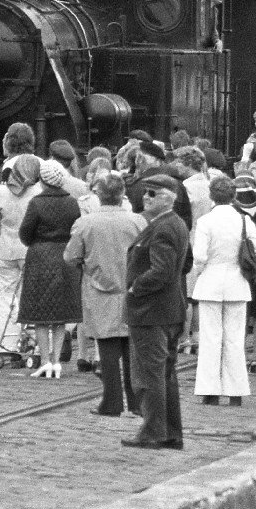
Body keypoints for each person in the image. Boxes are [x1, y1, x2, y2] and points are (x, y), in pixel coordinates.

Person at [65, 172, 147, 416]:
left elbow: (70, 256)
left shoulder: (85, 223)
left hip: (99, 288)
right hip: (132, 289)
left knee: (107, 347)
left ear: (98, 195)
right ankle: (136, 402)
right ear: (122, 194)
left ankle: (111, 401)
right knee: (132, 347)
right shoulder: (138, 222)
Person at [122, 173, 190, 449]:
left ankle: (153, 431)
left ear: (168, 199)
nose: (146, 198)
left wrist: (135, 287)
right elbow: (185, 264)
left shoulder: (163, 227)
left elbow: (162, 270)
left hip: (152, 312)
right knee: (165, 374)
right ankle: (170, 432)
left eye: (152, 194)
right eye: (145, 193)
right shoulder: (175, 224)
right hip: (167, 309)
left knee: (149, 374)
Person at [190, 176, 256, 406]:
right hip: (237, 281)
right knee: (235, 338)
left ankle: (210, 391)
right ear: (233, 196)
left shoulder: (205, 221)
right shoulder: (244, 220)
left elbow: (199, 256)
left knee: (210, 338)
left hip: (210, 281)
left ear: (212, 195)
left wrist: (201, 270)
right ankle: (236, 391)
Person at [18, 160, 84, 378]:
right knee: (60, 314)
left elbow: (25, 233)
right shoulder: (72, 203)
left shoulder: (36, 203)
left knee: (40, 314)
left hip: (40, 258)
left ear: (43, 180)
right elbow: (77, 229)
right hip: (65, 257)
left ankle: (45, 360)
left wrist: (37, 242)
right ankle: (56, 362)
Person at [0, 155, 41, 361]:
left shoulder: (0, 192)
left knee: (7, 298)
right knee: (32, 298)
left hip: (6, 250)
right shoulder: (38, 192)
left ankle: (5, 346)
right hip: (30, 250)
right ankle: (33, 346)